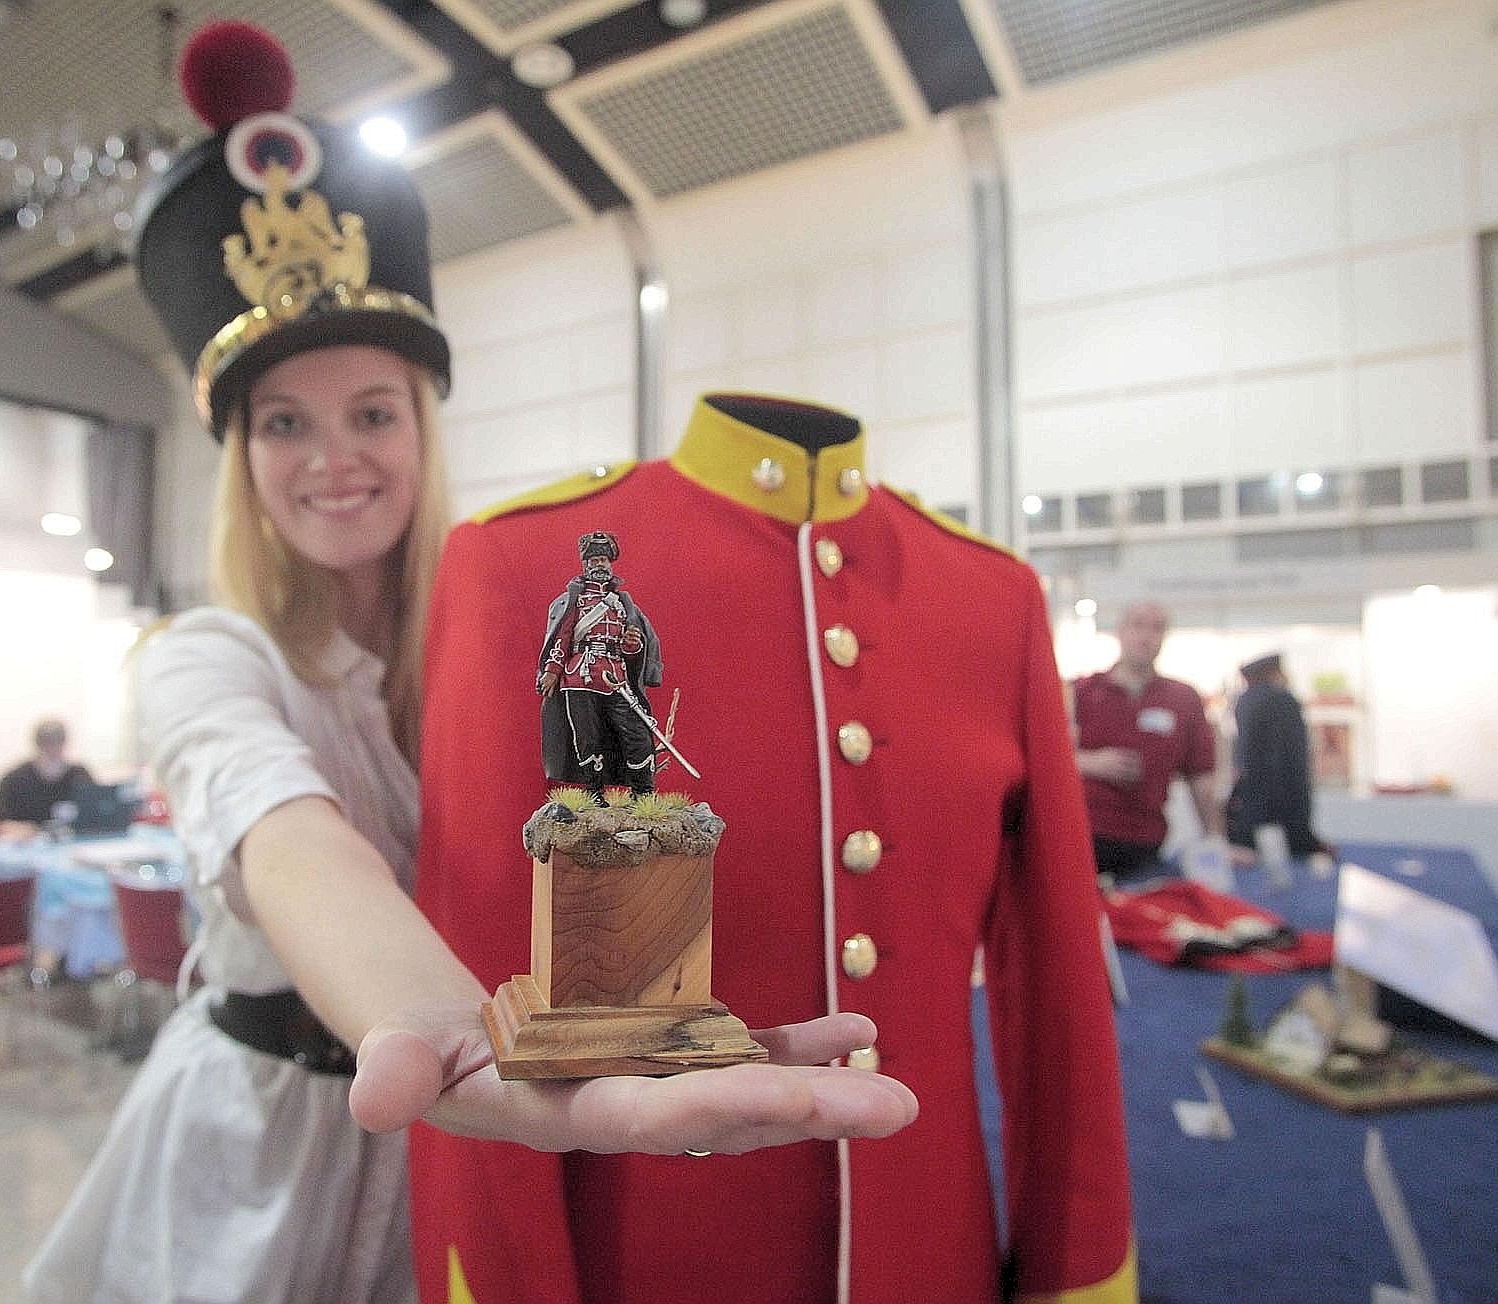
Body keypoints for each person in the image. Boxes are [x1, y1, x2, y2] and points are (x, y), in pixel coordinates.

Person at [24, 24, 915, 1304]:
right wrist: (437, 1023)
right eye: (285, 421)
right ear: (241, 456)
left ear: (423, 428)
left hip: (453, 1152)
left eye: (372, 412)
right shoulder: (204, 655)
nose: (334, 455)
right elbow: (287, 838)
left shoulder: (501, 636)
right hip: (260, 1137)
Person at [414, 393, 1136, 1303]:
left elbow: (1058, 987)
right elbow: (479, 972)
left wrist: (1077, 1270)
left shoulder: (993, 596)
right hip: (653, 1259)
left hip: (928, 1251)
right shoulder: (512, 562)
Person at [1072, 600, 1222, 879]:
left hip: (1144, 845)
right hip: (1080, 839)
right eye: (1138, 625)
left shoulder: (1182, 699)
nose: (1146, 636)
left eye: (1157, 628)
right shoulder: (1081, 692)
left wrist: (1216, 841)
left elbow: (1200, 777)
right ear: (1120, 631)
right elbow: (1040, 758)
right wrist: (1090, 763)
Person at [538, 531, 659, 796]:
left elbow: (633, 648)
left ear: (610, 564)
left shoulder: (623, 604)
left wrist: (631, 643)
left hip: (615, 677)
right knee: (587, 739)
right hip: (579, 677)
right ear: (586, 565)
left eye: (604, 559)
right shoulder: (575, 600)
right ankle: (594, 795)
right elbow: (563, 637)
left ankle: (643, 794)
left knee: (637, 733)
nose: (600, 564)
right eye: (594, 560)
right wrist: (551, 671)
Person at [1226, 652, 1336, 861]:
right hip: (1284, 804)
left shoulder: (1245, 702)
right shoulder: (1283, 701)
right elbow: (1290, 760)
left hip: (1252, 803)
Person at [0, 718, 93, 826]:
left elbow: (95, 813)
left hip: (76, 842)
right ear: (38, 745)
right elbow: (2, 824)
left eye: (58, 742)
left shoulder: (80, 776)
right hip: (28, 842)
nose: (53, 749)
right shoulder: (13, 781)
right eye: (48, 743)